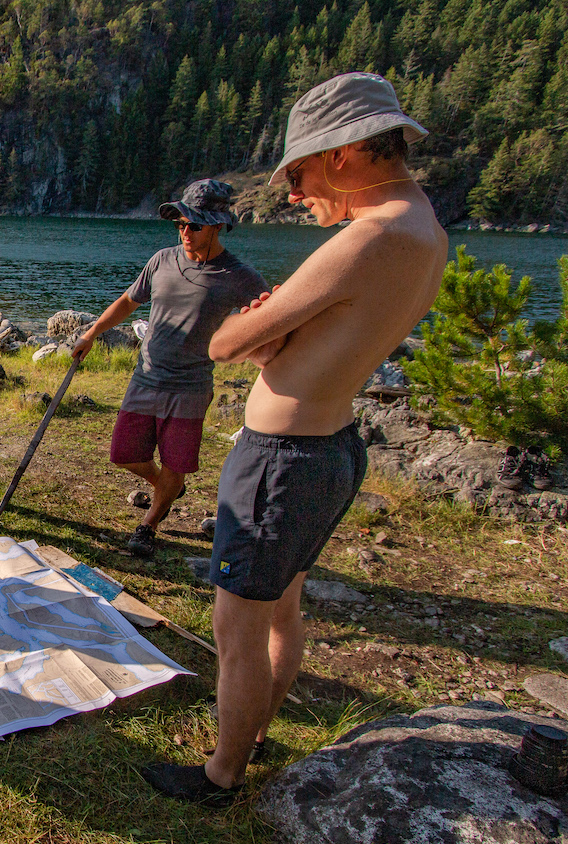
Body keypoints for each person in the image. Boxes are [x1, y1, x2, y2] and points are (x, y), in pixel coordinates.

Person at [141, 72, 447, 806]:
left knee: (237, 623)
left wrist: (263, 327)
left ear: (343, 154)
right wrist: (280, 334)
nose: (292, 191)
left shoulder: (365, 238)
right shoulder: (425, 228)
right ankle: (252, 731)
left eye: (300, 171)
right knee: (283, 606)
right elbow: (305, 338)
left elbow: (227, 342)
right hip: (332, 445)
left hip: (282, 459)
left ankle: (222, 774)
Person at [73, 179, 266, 557]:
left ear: (217, 225)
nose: (185, 232)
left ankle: (149, 525)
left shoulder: (238, 276)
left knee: (176, 461)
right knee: (125, 454)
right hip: (146, 375)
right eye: (180, 223)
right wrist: (92, 332)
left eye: (194, 225)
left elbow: (271, 314)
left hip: (190, 387)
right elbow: (129, 301)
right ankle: (169, 486)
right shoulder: (162, 260)